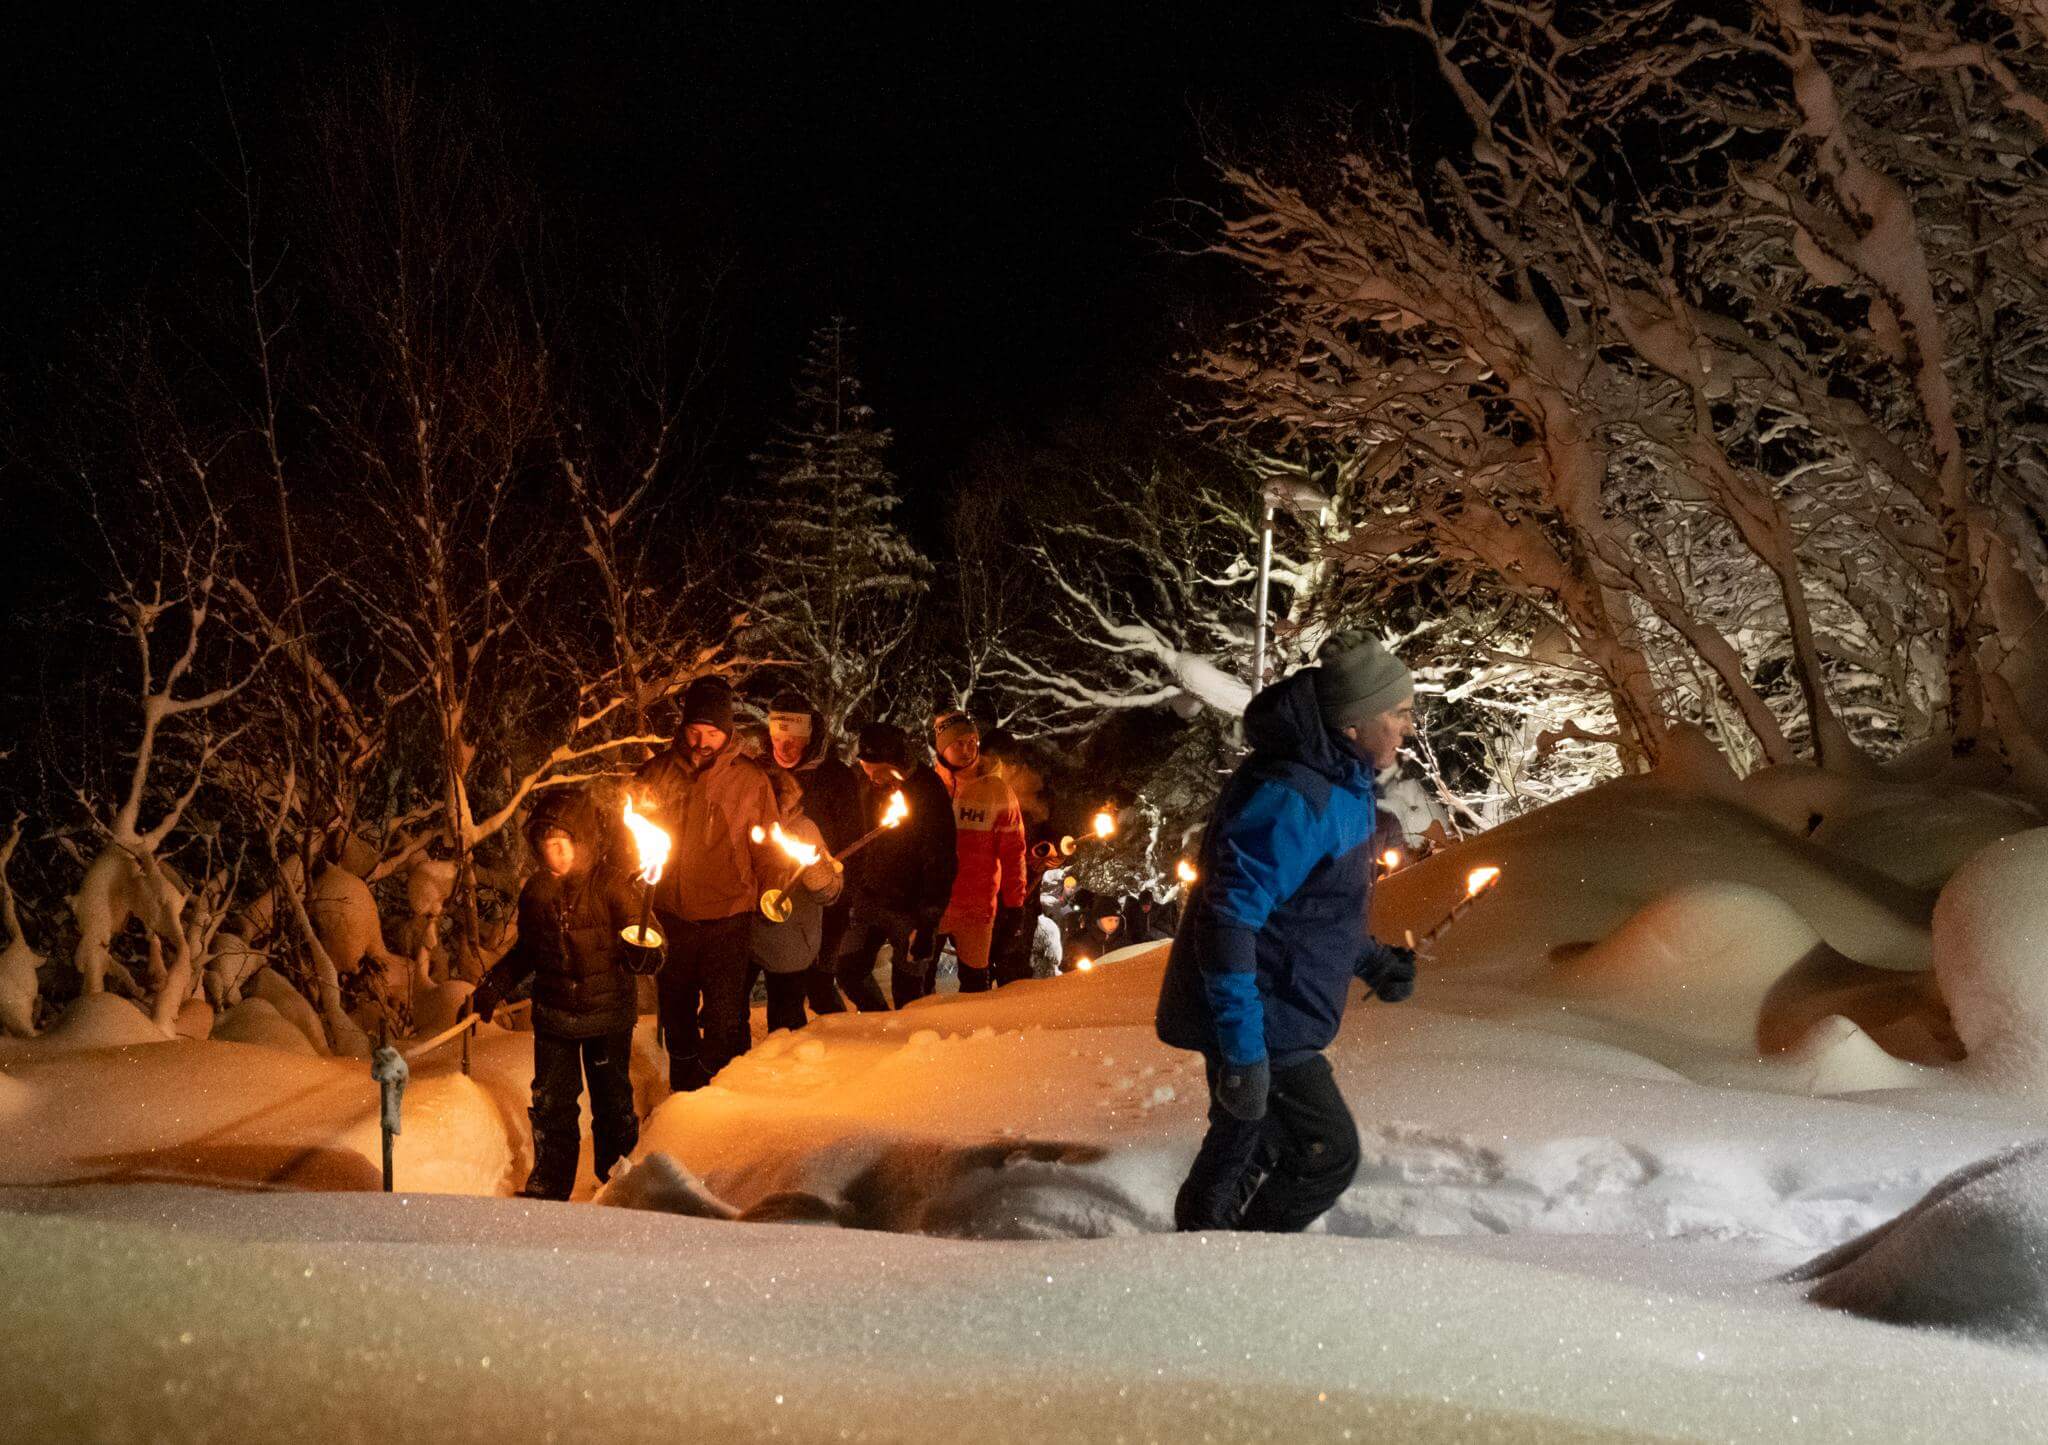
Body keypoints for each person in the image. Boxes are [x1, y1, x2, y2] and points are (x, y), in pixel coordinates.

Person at [1155, 630, 1420, 1233]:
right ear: (1353, 724)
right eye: (1398, 714)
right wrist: (1244, 1054)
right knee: (1324, 1153)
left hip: (1278, 1008)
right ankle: (1245, 1278)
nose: (1409, 728)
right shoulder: (1291, 797)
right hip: (1258, 1017)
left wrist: (1373, 961)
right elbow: (1228, 924)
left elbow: (1313, 912)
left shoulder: (1346, 786)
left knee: (1252, 1148)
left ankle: (1215, 1271)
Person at [466, 787, 643, 1201]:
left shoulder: (612, 886)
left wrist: (645, 953)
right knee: (551, 1102)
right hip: (554, 1016)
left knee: (611, 1100)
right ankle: (550, 1183)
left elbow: (649, 942)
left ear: (582, 843)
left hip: (607, 1015)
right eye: (548, 846)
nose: (556, 854)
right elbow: (529, 950)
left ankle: (617, 1179)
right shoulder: (537, 891)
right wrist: (494, 985)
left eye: (563, 844)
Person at [634, 675, 784, 1091]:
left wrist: (772, 890)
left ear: (728, 732)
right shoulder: (658, 773)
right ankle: (684, 1096)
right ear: (683, 729)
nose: (702, 742)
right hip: (672, 916)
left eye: (712, 733)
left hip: (729, 919)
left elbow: (768, 847)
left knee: (723, 1018)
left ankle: (722, 1094)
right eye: (694, 731)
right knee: (677, 1014)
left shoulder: (750, 781)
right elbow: (631, 840)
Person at [835, 723, 955, 1010]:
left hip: (912, 909)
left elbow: (941, 859)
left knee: (909, 992)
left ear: (898, 762)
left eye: (879, 769)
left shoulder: (927, 789)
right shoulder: (866, 785)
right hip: (869, 898)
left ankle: (909, 1045)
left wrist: (928, 921)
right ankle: (880, 1026)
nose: (872, 776)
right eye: (866, 767)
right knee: (849, 971)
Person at [765, 689, 863, 1016]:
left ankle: (847, 1050)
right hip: (773, 901)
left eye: (795, 738)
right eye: (779, 737)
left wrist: (841, 899)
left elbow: (854, 846)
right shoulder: (760, 774)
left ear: (809, 736)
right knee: (785, 988)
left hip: (825, 901)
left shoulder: (836, 778)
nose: (786, 746)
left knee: (820, 984)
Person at [929, 710, 1026, 994]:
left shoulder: (997, 790)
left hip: (976, 907)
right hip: (931, 904)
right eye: (958, 743)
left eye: (972, 741)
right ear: (941, 747)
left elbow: (1014, 853)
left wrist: (1015, 905)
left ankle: (974, 1038)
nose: (967, 749)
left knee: (975, 985)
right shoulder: (929, 787)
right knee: (916, 983)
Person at [747, 768, 845, 1033]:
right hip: (744, 937)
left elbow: (830, 892)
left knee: (785, 1020)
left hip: (787, 942)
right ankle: (739, 1070)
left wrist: (817, 875)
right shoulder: (745, 828)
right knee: (729, 1014)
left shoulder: (803, 830)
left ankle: (788, 1067)